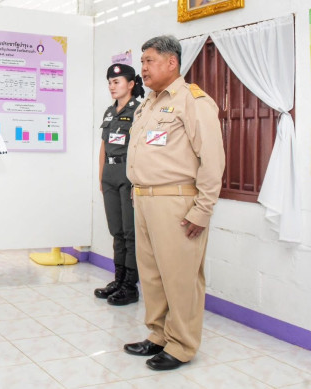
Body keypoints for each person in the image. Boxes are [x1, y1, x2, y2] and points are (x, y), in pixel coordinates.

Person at [123, 35, 224, 370]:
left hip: (176, 202)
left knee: (180, 278)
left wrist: (203, 209)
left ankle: (181, 345)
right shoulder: (148, 104)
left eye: (149, 61)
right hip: (144, 200)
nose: (143, 68)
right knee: (152, 275)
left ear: (171, 62)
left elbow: (212, 159)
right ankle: (158, 335)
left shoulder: (193, 101)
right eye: (142, 61)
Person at [94, 63, 144, 306]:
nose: (112, 87)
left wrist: (138, 180)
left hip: (128, 175)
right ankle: (118, 279)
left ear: (131, 84)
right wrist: (101, 176)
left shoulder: (139, 110)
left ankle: (130, 286)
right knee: (116, 231)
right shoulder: (109, 111)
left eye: (117, 82)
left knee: (130, 232)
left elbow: (142, 148)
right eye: (110, 83)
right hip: (110, 175)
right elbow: (104, 145)